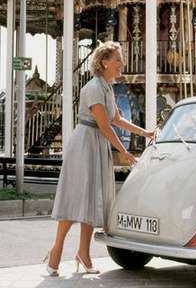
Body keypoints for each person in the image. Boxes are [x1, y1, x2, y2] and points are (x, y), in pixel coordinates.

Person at [44, 41, 154, 276]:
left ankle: (84, 254)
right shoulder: (94, 88)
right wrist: (124, 151)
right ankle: (56, 250)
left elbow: (117, 119)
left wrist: (145, 133)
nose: (121, 64)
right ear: (104, 62)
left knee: (91, 200)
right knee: (75, 197)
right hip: (85, 144)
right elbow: (104, 125)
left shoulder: (107, 87)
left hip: (96, 144)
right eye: (117, 60)